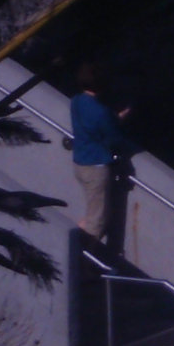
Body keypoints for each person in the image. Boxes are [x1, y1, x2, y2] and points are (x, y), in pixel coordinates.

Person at [66, 63, 136, 246]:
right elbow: (113, 138)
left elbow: (93, 126)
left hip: (80, 163)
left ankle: (74, 244)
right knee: (97, 222)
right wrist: (119, 119)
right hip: (96, 168)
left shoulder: (76, 101)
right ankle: (81, 263)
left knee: (91, 214)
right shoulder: (102, 113)